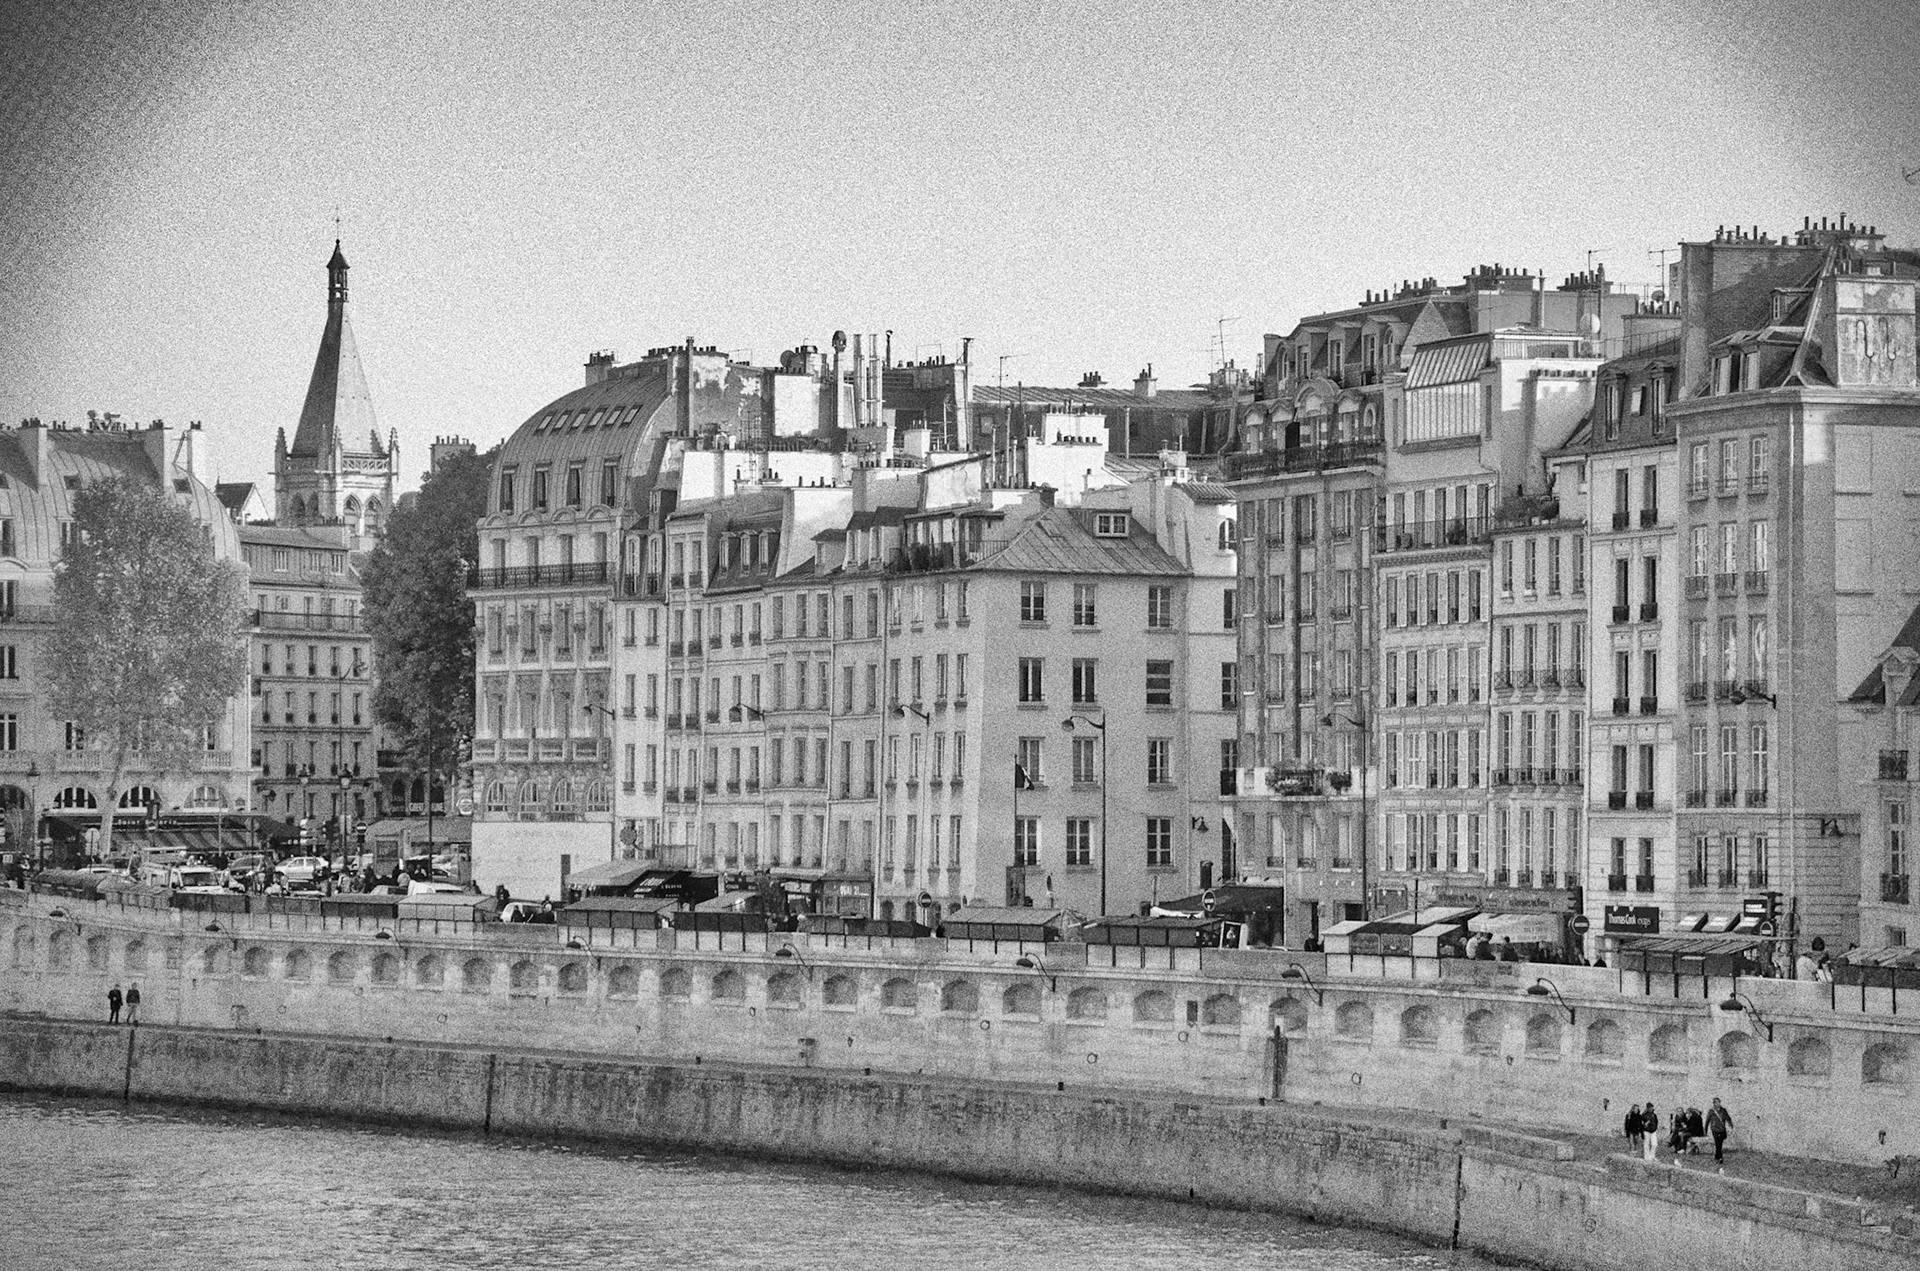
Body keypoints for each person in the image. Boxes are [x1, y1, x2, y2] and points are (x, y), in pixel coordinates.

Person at [1704, 1098, 1733, 1164]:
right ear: (1714, 1103)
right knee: (1717, 1143)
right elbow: (1707, 1120)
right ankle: (1720, 1157)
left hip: (1722, 1129)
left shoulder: (1723, 1110)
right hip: (1715, 1129)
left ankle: (1717, 1155)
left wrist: (1730, 1124)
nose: (1718, 1103)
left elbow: (1728, 1118)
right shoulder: (1711, 1111)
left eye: (1719, 1102)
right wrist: (1705, 1130)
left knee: (1720, 1142)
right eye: (1716, 1102)